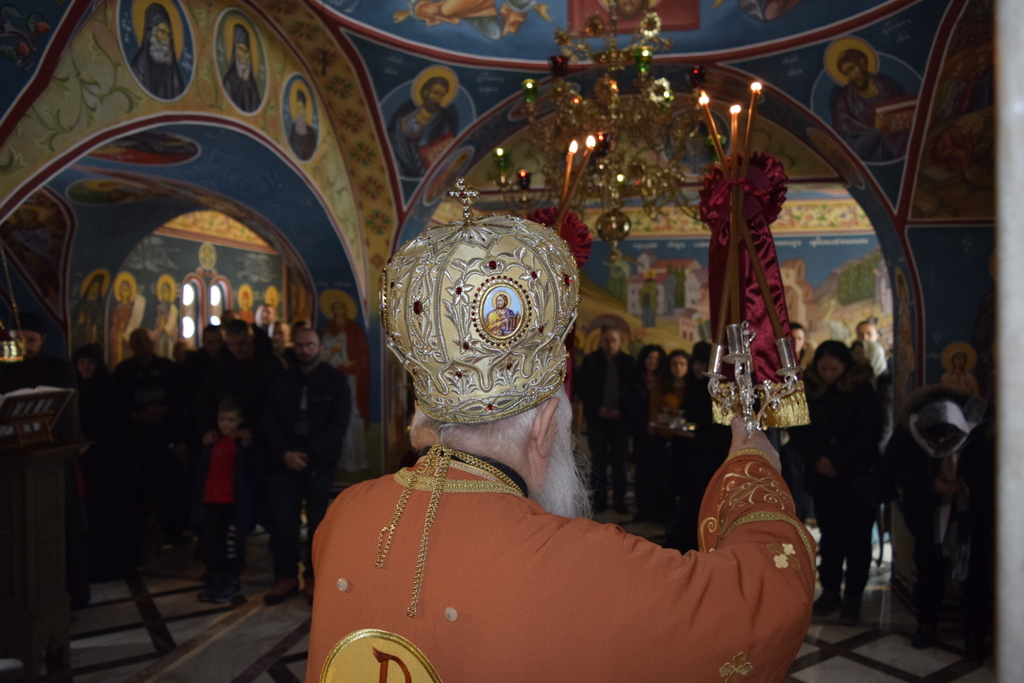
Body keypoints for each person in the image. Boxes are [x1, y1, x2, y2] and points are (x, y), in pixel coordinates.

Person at [306, 210, 815, 681]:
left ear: (422, 420)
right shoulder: (584, 566)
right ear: (545, 426)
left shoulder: (343, 515)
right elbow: (763, 600)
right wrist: (752, 464)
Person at [885, 386, 992, 661]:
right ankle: (926, 625)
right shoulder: (909, 430)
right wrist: (931, 485)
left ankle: (975, 633)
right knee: (928, 569)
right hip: (927, 513)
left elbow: (994, 471)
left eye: (949, 436)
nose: (943, 441)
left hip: (971, 516)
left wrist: (967, 487)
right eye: (936, 437)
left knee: (976, 573)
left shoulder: (979, 428)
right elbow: (893, 468)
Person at [789, 341, 883, 625]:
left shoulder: (863, 391)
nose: (828, 374)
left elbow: (870, 434)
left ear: (846, 366)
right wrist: (817, 459)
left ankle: (853, 597)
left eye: (835, 369)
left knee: (857, 540)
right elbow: (798, 431)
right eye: (823, 368)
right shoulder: (809, 389)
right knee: (830, 538)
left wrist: (837, 461)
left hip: (856, 477)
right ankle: (830, 592)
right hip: (823, 478)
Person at [263, 327, 350, 605]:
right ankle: (286, 576)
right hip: (285, 459)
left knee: (318, 523)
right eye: (300, 345)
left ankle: (314, 578)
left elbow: (338, 425)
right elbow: (269, 419)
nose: (304, 350)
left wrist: (310, 453)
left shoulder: (335, 381)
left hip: (318, 461)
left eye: (310, 345)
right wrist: (284, 453)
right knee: (283, 521)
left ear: (320, 347)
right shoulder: (282, 379)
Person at [113, 328, 189, 548]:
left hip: (165, 437)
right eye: (137, 340)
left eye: (146, 339)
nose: (142, 344)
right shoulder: (123, 371)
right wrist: (135, 415)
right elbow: (117, 404)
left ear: (154, 342)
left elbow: (180, 400)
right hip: (136, 440)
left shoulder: (168, 368)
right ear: (130, 345)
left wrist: (166, 411)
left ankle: (173, 531)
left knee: (171, 487)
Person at [74, 344, 135, 580]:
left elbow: (114, 424)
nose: (85, 368)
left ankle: (116, 563)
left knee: (111, 511)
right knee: (93, 513)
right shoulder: (76, 389)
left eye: (90, 363)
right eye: (81, 363)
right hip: (87, 460)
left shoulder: (108, 389)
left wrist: (94, 441)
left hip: (108, 460)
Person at [193, 397, 259, 604]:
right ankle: (215, 576)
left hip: (232, 504)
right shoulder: (212, 442)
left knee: (232, 543)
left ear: (239, 421)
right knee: (211, 541)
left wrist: (247, 443)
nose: (226, 424)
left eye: (231, 420)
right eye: (222, 420)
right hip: (212, 501)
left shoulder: (241, 445)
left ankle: (231, 578)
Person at [575, 326, 638, 513]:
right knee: (598, 461)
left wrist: (621, 410)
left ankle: (620, 502)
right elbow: (583, 388)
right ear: (601, 341)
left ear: (620, 342)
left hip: (621, 421)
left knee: (620, 461)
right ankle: (599, 501)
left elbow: (633, 391)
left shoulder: (628, 363)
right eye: (607, 341)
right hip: (598, 420)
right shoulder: (591, 361)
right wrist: (598, 408)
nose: (610, 344)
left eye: (613, 341)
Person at [831, 48, 910, 161]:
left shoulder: (887, 87)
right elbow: (845, 142)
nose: (851, 77)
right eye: (846, 73)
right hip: (873, 155)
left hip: (899, 149)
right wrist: (874, 130)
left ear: (862, 64)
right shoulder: (844, 100)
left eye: (852, 69)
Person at [387, 75, 458, 177]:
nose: (437, 98)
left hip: (424, 167)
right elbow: (390, 137)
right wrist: (399, 131)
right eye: (435, 93)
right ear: (425, 92)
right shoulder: (406, 116)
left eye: (441, 95)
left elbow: (446, 147)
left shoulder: (443, 120)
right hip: (401, 163)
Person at [632, 344, 666, 522]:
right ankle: (642, 510)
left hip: (661, 433)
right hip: (641, 432)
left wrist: (657, 424)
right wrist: (645, 423)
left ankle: (657, 511)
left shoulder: (664, 380)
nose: (653, 361)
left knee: (658, 473)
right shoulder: (636, 379)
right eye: (650, 358)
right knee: (642, 473)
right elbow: (631, 405)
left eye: (656, 359)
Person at [130, 2, 186, 100]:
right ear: (152, 33)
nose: (166, 38)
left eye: (168, 34)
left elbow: (179, 95)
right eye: (162, 32)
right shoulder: (139, 63)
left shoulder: (171, 66)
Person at [222, 24, 261, 113]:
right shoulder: (229, 82)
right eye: (240, 49)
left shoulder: (252, 87)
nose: (243, 56)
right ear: (235, 52)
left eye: (246, 51)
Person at [289, 90, 317, 160]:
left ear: (304, 111)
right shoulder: (292, 132)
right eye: (297, 109)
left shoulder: (311, 135)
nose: (298, 112)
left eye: (300, 109)